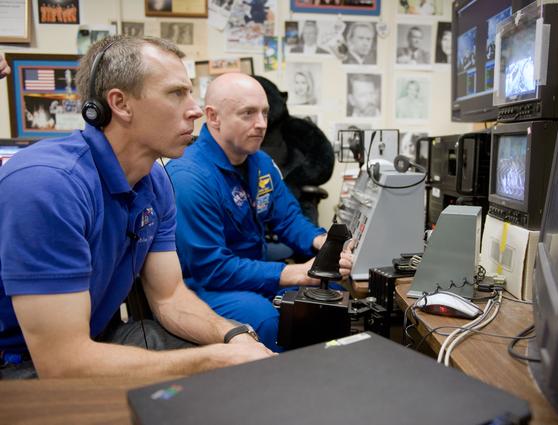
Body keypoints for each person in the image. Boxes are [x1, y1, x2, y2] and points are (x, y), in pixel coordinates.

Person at [0, 36, 274, 380]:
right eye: (176, 93)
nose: (194, 110)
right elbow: (62, 362)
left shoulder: (155, 181)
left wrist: (233, 336)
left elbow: (170, 296)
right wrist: (214, 359)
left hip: (93, 340)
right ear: (121, 104)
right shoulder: (47, 185)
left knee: (233, 362)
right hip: (19, 364)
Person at [165, 73, 353, 352]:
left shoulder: (260, 163)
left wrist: (321, 242)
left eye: (264, 113)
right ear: (213, 117)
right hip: (205, 286)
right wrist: (292, 273)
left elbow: (287, 218)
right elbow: (212, 269)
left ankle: (323, 372)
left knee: (332, 297)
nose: (262, 123)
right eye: (248, 113)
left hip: (250, 274)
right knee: (266, 320)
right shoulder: (188, 177)